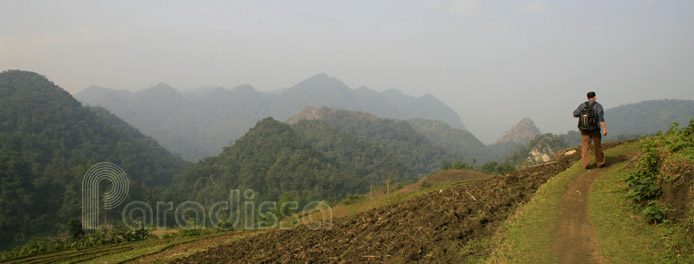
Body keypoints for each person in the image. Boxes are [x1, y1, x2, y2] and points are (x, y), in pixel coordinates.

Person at [573, 91, 607, 169]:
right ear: (595, 97)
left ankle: (585, 164)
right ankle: (600, 162)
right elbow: (600, 118)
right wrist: (604, 129)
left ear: (587, 98)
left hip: (584, 129)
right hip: (595, 129)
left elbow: (575, 114)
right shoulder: (598, 106)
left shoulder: (582, 105)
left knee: (585, 146)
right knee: (597, 146)